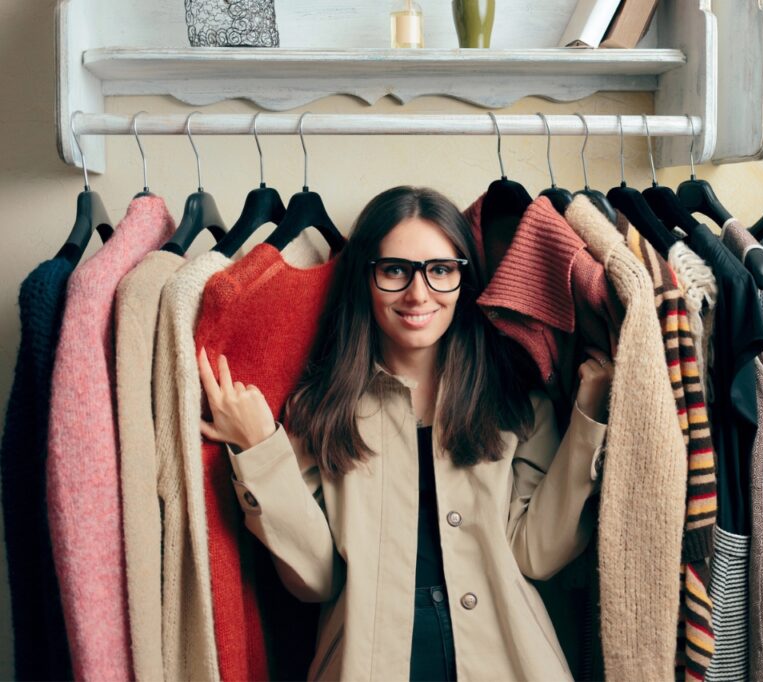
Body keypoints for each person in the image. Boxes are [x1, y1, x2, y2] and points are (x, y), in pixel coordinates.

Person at [198, 186, 613, 681]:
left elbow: (537, 553)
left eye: (440, 270)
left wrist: (588, 417)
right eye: (395, 270)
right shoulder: (322, 411)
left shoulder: (514, 404)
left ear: (463, 280)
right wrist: (261, 452)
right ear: (366, 278)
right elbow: (316, 579)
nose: (419, 293)